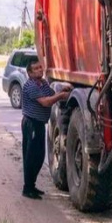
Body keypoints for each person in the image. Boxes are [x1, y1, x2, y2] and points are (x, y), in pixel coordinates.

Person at [20, 60, 70, 199]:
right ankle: (27, 188)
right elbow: (46, 102)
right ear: (29, 73)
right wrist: (60, 96)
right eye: (35, 69)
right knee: (31, 157)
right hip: (31, 124)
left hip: (39, 124)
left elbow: (51, 94)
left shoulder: (42, 83)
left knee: (39, 156)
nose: (39, 70)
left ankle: (32, 185)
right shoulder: (30, 86)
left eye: (40, 67)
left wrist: (61, 91)